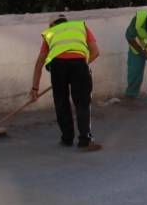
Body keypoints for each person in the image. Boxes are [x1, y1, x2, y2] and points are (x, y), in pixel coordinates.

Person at [30, 14, 102, 152]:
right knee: (82, 102)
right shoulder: (81, 27)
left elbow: (40, 62)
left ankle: (67, 138)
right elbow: (95, 52)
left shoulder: (51, 33)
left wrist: (35, 88)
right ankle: (84, 141)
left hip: (58, 67)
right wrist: (81, 66)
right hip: (79, 64)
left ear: (52, 25)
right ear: (65, 22)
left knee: (61, 102)